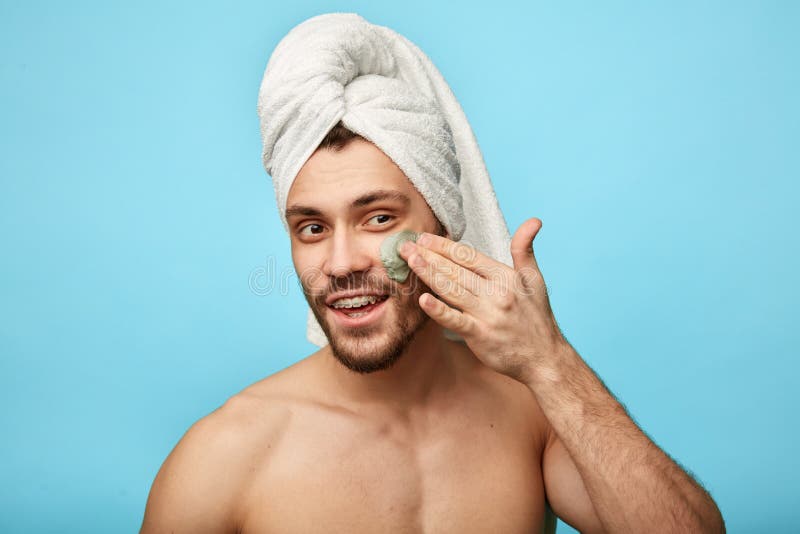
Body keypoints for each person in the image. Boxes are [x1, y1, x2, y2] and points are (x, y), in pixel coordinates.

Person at [140, 14, 725, 534]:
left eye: (378, 217)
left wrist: (551, 362)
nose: (341, 264)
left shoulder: (530, 417)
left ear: (444, 228)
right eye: (312, 228)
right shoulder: (224, 456)